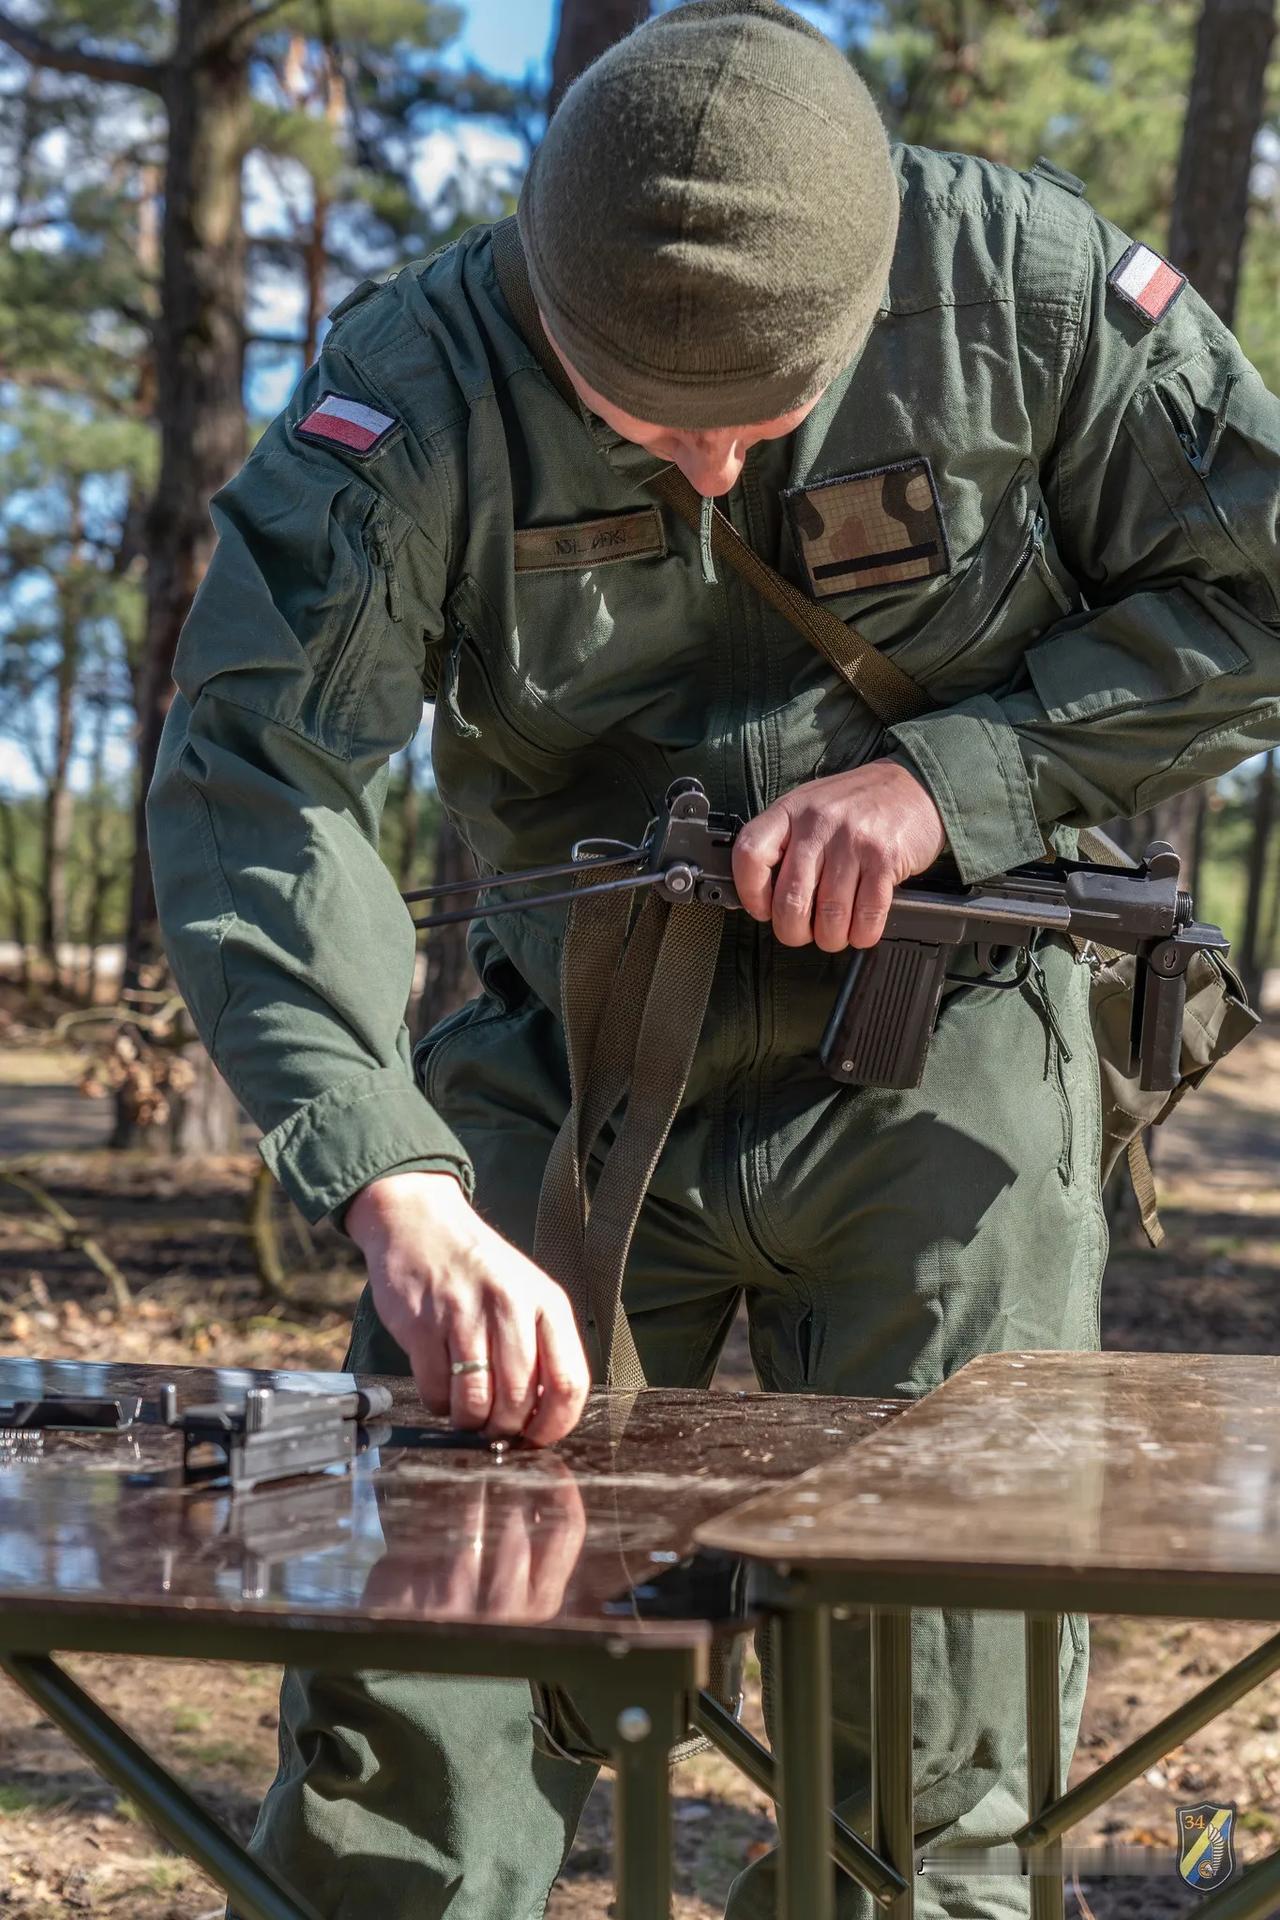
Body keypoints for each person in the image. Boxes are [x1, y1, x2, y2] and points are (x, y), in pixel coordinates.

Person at [148, 2, 1280, 1914]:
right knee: (429, 1694)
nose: (700, 462)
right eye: (637, 417)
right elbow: (261, 766)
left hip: (954, 1069)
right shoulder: (419, 377)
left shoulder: (1029, 287)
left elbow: (1253, 582)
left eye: (753, 419)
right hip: (570, 1069)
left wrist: (957, 779)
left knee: (937, 1735)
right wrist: (390, 1175)